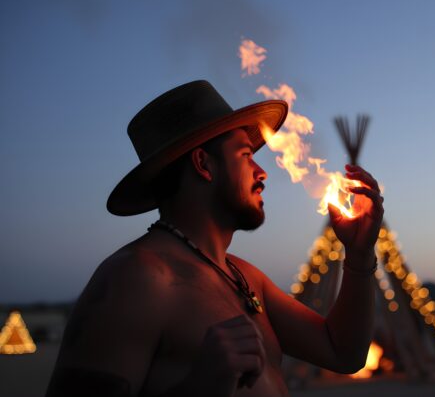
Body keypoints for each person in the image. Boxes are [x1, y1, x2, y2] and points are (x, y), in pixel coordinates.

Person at [46, 80, 384, 396]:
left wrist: (359, 253)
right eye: (245, 155)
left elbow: (343, 352)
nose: (262, 172)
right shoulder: (136, 277)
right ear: (203, 164)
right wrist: (197, 388)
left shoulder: (245, 276)